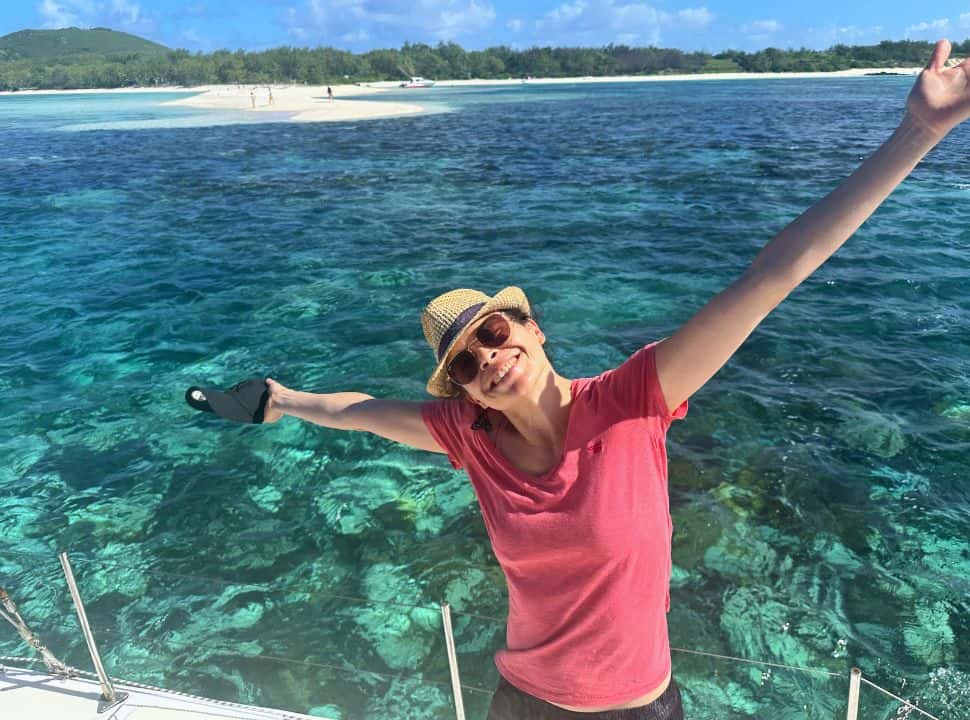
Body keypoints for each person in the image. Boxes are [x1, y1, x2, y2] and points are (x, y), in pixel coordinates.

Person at [260, 41, 969, 719]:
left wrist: (917, 134)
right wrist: (283, 401)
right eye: (468, 365)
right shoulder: (468, 437)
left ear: (533, 328)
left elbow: (772, 276)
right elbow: (356, 409)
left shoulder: (633, 399)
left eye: (496, 333)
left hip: (637, 711)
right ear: (466, 391)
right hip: (518, 704)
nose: (490, 358)